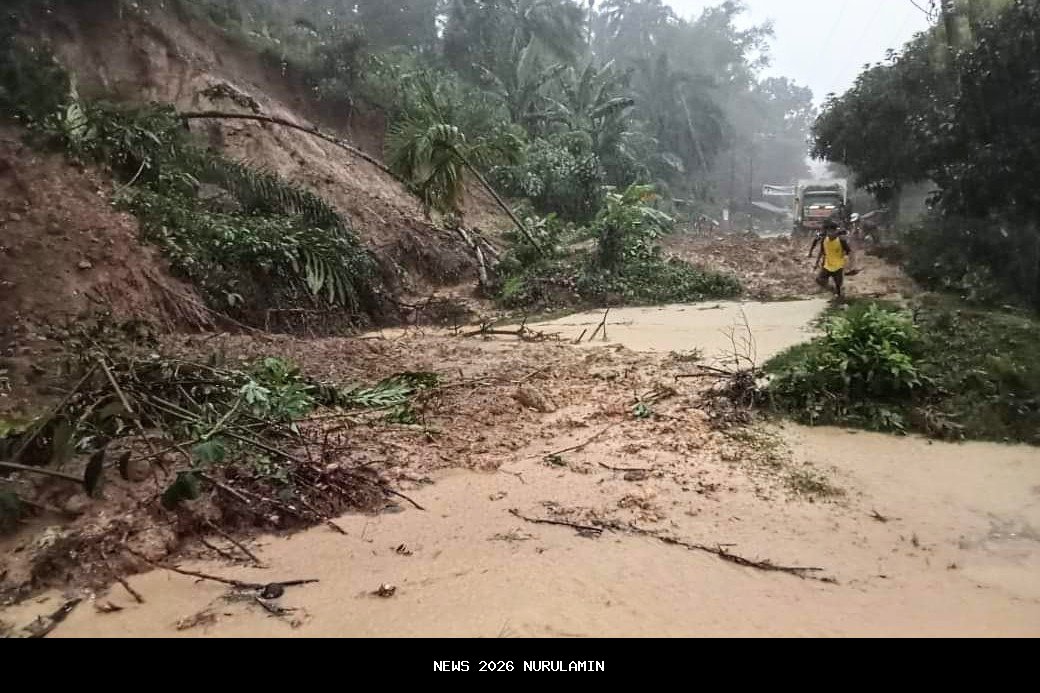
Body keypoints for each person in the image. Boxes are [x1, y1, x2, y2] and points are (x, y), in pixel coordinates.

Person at [814, 220, 854, 298]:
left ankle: (839, 299)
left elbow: (849, 252)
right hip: (827, 266)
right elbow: (821, 252)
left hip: (838, 267)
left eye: (832, 231)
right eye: (828, 231)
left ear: (836, 231)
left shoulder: (841, 241)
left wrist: (850, 265)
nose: (830, 233)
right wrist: (816, 263)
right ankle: (832, 290)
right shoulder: (824, 240)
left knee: (839, 287)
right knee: (819, 280)